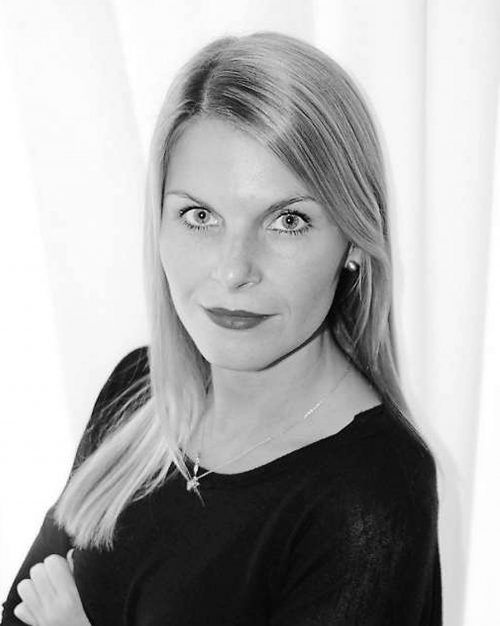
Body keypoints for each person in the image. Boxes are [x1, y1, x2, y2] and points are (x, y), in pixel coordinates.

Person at [1, 31, 442, 625]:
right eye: (200, 215)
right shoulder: (139, 392)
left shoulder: (373, 494)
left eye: (288, 220)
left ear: (355, 242)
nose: (234, 271)